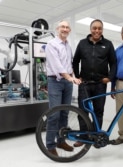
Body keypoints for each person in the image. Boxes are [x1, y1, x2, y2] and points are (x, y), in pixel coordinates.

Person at [72, 19, 117, 147]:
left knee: (98, 112)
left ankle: (96, 137)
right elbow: (75, 61)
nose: (97, 31)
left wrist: (110, 78)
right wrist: (78, 76)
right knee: (83, 112)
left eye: (99, 28)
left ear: (102, 30)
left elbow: (113, 63)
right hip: (84, 84)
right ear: (90, 29)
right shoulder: (82, 43)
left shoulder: (108, 44)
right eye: (94, 28)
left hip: (100, 85)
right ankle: (83, 137)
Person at [45, 20, 81, 156]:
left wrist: (74, 77)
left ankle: (61, 141)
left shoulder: (67, 45)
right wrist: (69, 77)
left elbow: (68, 64)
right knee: (54, 115)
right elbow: (57, 66)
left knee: (65, 113)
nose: (65, 29)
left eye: (67, 27)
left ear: (69, 30)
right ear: (57, 29)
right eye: (62, 27)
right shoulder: (51, 44)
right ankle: (50, 145)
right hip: (55, 82)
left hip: (67, 82)